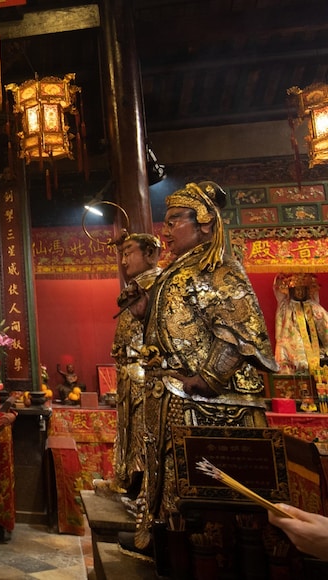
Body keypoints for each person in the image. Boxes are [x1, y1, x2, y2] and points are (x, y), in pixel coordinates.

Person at [124, 181, 278, 553]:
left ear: (205, 223)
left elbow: (241, 332)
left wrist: (210, 376)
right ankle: (168, 540)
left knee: (200, 485)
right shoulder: (179, 271)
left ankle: (202, 550)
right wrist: (145, 314)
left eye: (175, 220)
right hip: (175, 395)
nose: (166, 229)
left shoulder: (218, 268)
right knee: (170, 475)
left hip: (208, 402)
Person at [105, 233, 162, 498]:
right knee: (127, 427)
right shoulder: (136, 287)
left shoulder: (159, 285)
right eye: (123, 255)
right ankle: (126, 479)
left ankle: (145, 489)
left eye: (130, 253)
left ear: (150, 254)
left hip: (145, 371)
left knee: (144, 431)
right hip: (128, 369)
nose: (124, 261)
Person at [274, 273, 328, 374]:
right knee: (285, 347)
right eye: (297, 290)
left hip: (315, 342)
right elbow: (277, 290)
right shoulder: (287, 305)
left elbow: (324, 322)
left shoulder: (313, 305)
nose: (300, 293)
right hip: (294, 341)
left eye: (302, 290)